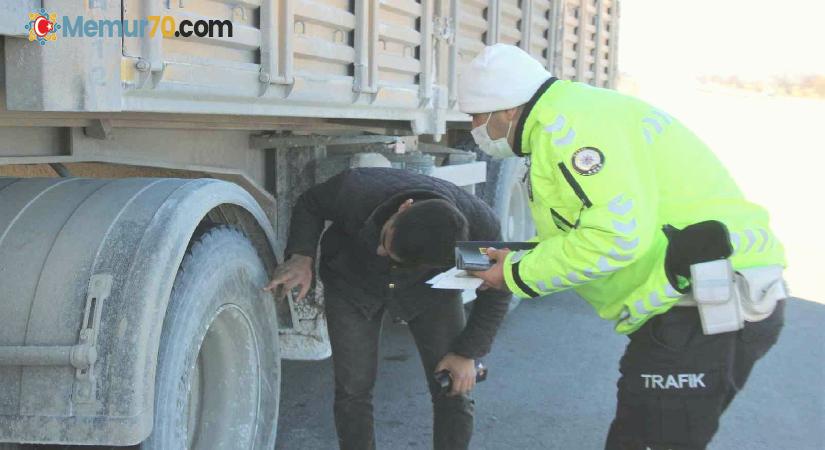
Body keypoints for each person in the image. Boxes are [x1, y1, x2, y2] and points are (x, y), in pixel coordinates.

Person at [460, 44, 788, 450]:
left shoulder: (571, 131)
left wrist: (513, 274)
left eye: (476, 115)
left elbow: (616, 237)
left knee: (652, 441)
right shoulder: (568, 118)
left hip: (706, 306)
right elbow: (586, 226)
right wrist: (520, 259)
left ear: (507, 109)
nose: (474, 126)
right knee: (636, 436)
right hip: (689, 305)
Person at [264, 167, 511, 450]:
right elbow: (311, 203)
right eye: (384, 241)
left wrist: (468, 353)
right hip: (353, 283)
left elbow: (499, 289)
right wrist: (300, 256)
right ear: (404, 208)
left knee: (455, 386)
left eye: (395, 256)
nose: (381, 252)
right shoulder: (358, 189)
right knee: (352, 391)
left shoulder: (478, 232)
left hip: (427, 292)